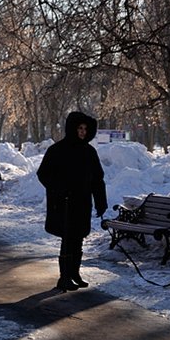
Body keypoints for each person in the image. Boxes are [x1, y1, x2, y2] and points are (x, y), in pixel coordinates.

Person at [36, 111, 108, 292]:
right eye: (80, 128)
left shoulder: (89, 152)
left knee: (78, 238)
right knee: (67, 239)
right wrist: (59, 190)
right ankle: (64, 277)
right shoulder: (58, 150)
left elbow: (97, 179)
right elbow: (43, 174)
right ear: (72, 129)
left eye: (85, 129)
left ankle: (74, 273)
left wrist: (101, 202)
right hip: (64, 203)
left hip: (82, 202)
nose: (83, 132)